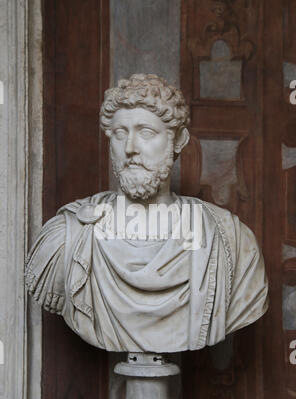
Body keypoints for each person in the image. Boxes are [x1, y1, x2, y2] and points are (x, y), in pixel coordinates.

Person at [25, 74, 268, 352]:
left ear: (178, 140)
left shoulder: (231, 240)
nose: (130, 148)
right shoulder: (67, 235)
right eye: (119, 133)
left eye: (146, 132)